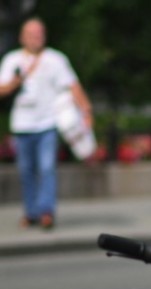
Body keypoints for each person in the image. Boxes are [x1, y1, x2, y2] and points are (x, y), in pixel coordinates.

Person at [0, 17, 92, 230]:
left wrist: (86, 110)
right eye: (31, 34)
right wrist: (15, 83)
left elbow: (73, 86)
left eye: (39, 34)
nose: (36, 38)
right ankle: (30, 212)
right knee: (26, 170)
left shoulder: (55, 59)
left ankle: (46, 212)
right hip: (22, 125)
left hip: (48, 123)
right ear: (22, 37)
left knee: (47, 167)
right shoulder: (12, 60)